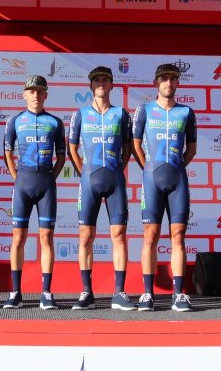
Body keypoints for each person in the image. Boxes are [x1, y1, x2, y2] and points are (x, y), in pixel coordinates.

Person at [68, 66, 137, 311]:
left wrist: (118, 168)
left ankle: (119, 292)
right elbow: (72, 148)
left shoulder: (121, 114)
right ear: (90, 86)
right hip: (89, 181)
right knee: (86, 236)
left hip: (115, 180)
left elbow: (128, 147)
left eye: (105, 80)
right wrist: (85, 171)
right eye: (96, 80)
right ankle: (86, 292)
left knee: (119, 235)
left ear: (111, 85)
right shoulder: (80, 114)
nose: (100, 83)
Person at [132, 62, 197, 313]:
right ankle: (147, 293)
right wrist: (149, 168)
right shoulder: (145, 110)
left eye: (173, 78)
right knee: (150, 236)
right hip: (152, 180)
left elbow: (191, 149)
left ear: (177, 82)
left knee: (178, 236)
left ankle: (179, 294)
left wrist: (177, 166)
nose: (169, 83)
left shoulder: (186, 112)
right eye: (164, 79)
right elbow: (136, 144)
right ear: (156, 83)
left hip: (177, 179)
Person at [3, 75, 67, 309]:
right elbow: (7, 153)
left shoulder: (55, 122)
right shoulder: (15, 121)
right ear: (24, 94)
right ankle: (15, 292)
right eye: (31, 91)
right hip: (23, 182)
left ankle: (46, 292)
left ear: (46, 95)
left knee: (46, 237)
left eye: (40, 92)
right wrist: (18, 177)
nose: (36, 95)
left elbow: (61, 156)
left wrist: (50, 177)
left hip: (46, 183)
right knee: (18, 238)